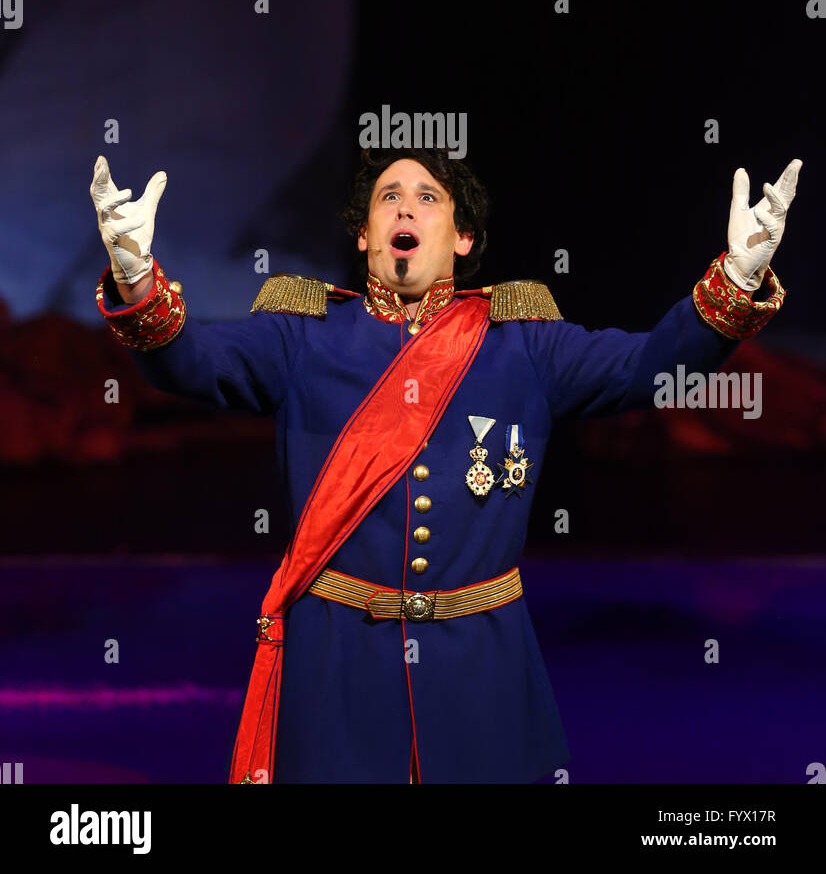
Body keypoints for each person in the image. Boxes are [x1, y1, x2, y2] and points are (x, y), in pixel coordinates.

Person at [90, 147, 801, 784]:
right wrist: (136, 279)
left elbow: (650, 366)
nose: (405, 205)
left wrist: (738, 276)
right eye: (387, 197)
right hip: (337, 663)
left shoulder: (524, 343)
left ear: (462, 239)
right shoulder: (298, 336)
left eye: (428, 197)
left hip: (481, 669)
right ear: (365, 236)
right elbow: (189, 365)